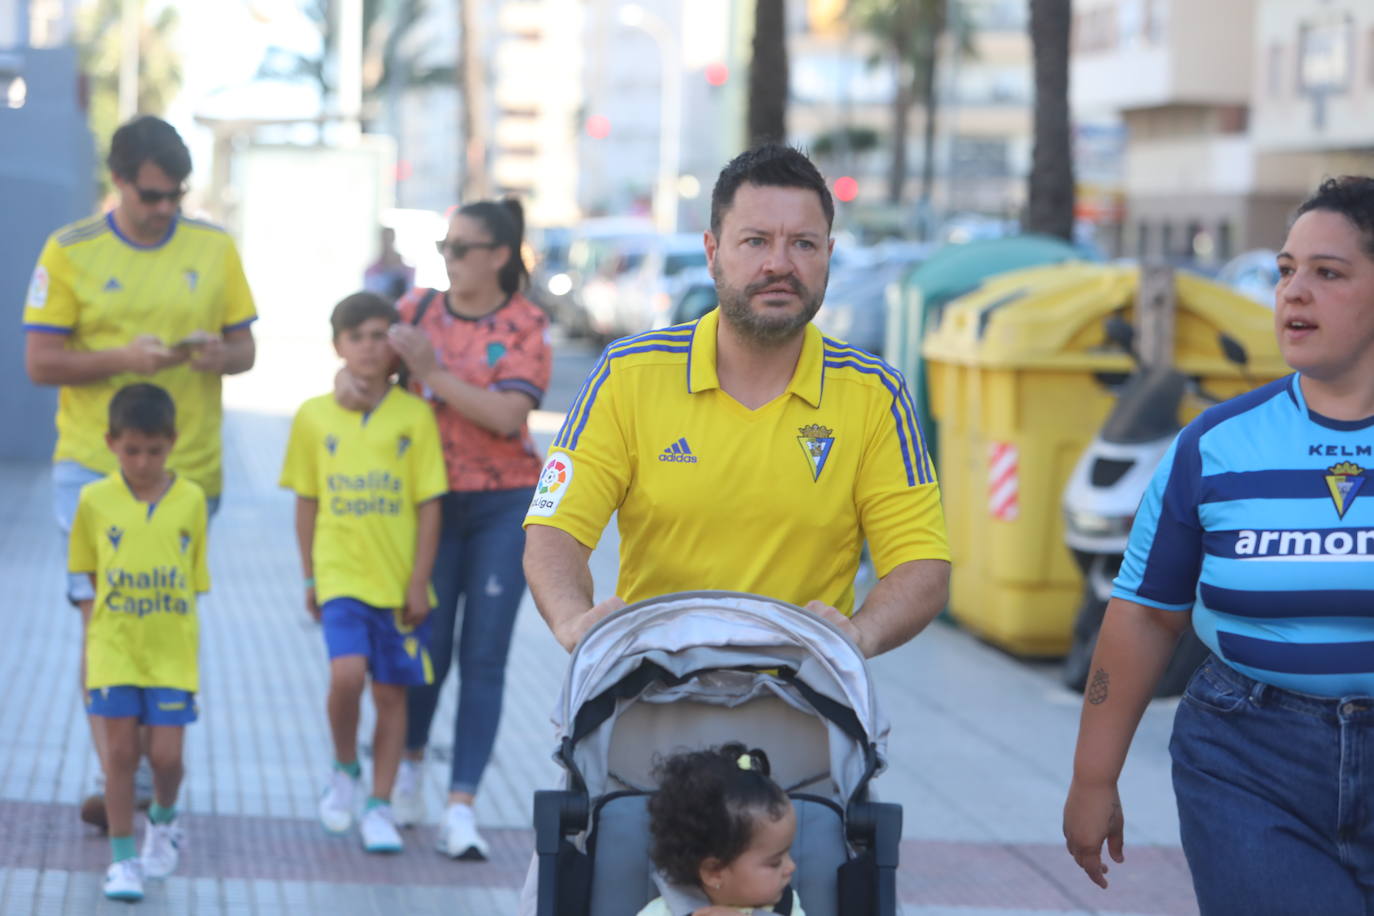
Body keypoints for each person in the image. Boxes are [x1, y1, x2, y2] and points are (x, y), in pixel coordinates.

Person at [1063, 176, 1374, 913]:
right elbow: (1145, 613)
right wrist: (1093, 777)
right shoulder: (1213, 445)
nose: (1294, 292)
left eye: (1328, 273)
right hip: (1249, 765)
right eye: (1287, 270)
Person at [522, 144, 950, 658]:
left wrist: (859, 635)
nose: (779, 264)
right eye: (755, 241)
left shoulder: (875, 394)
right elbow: (555, 529)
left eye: (804, 244)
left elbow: (921, 563)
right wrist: (574, 622)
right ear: (712, 251)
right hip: (653, 684)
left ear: (829, 255)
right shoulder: (628, 374)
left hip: (804, 688)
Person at [21, 114, 257, 829]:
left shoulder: (213, 247)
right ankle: (118, 774)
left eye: (176, 195)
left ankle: (147, 768)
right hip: (92, 472)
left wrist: (218, 355)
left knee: (162, 618)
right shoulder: (69, 250)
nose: (165, 208)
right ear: (118, 182)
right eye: (151, 194)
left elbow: (246, 349)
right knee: (104, 619)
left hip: (190, 472)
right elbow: (40, 363)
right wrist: (124, 358)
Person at [341, 199, 550, 859]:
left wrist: (432, 374)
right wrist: (347, 380)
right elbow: (364, 364)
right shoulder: (415, 311)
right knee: (425, 644)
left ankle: (462, 805)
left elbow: (507, 415)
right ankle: (407, 769)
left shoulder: (526, 324)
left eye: (462, 248)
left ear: (499, 255)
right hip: (426, 503)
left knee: (484, 655)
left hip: (502, 504)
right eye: (446, 247)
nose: (450, 259)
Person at [279, 292, 447, 854]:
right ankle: (344, 767)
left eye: (380, 336)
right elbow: (306, 501)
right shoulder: (313, 415)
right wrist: (309, 577)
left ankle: (379, 804)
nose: (369, 348)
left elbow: (429, 504)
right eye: (357, 337)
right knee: (347, 676)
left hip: (396, 582)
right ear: (337, 346)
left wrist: (419, 580)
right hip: (340, 577)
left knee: (392, 696)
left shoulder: (415, 416)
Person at [69, 383, 209, 901]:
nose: (143, 462)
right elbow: (89, 572)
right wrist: (105, 636)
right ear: (111, 443)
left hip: (171, 652)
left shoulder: (191, 499)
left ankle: (165, 820)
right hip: (116, 649)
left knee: (167, 758)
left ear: (173, 442)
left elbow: (194, 577)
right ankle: (124, 859)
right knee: (121, 754)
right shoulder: (93, 500)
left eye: (155, 450)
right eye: (131, 450)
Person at [639, 743, 803, 916]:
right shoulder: (661, 912)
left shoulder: (787, 906)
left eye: (788, 852)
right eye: (775, 862)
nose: (791, 866)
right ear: (714, 872)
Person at [363, 226, 416, 302]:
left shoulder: (408, 269)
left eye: (390, 238)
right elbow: (369, 295)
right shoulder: (371, 271)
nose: (387, 242)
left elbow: (411, 293)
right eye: (385, 238)